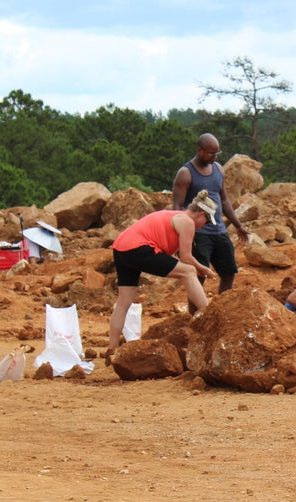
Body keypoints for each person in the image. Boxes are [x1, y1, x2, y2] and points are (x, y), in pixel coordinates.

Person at [107, 190, 219, 357]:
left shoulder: (176, 216)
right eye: (207, 220)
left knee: (124, 301)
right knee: (188, 272)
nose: (205, 225)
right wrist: (202, 268)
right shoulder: (187, 222)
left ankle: (112, 348)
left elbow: (172, 254)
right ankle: (209, 316)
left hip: (121, 249)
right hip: (139, 248)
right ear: (201, 214)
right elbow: (186, 258)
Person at [171, 132, 250, 295]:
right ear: (200, 150)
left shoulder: (218, 169)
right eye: (211, 153)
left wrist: (238, 225)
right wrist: (180, 236)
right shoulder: (186, 173)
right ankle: (197, 316)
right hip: (198, 233)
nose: (215, 157)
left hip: (219, 231)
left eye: (217, 153)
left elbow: (224, 199)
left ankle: (222, 311)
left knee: (228, 273)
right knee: (198, 277)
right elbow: (177, 205)